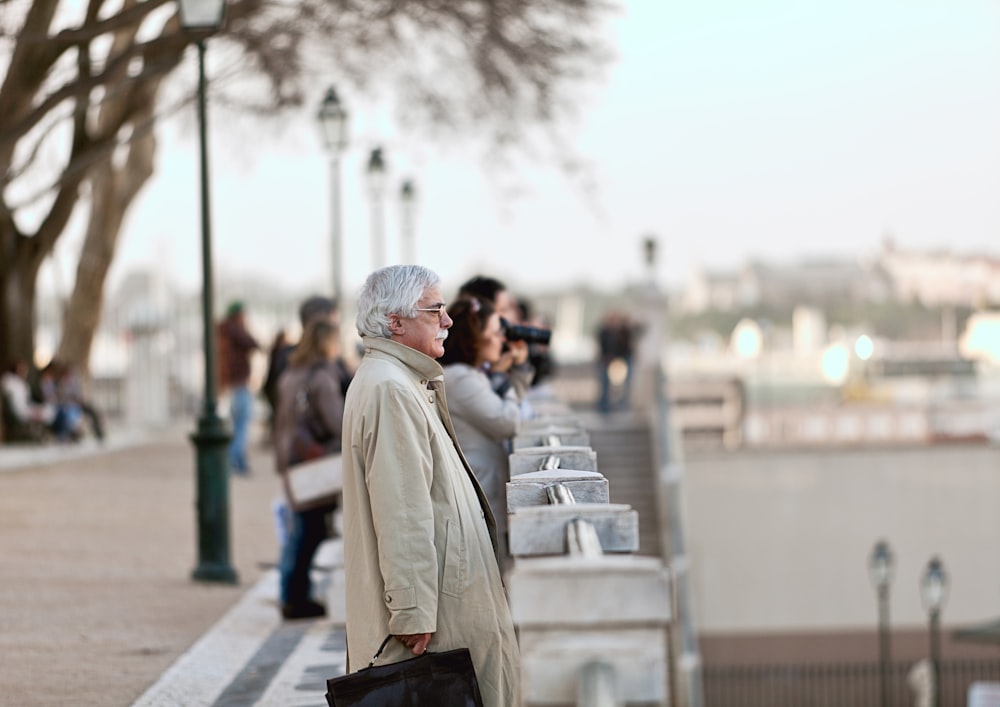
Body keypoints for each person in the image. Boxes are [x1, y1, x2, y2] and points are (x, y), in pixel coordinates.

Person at [341, 265, 520, 707]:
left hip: (445, 602)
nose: (448, 320)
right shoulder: (390, 388)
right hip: (436, 620)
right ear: (396, 321)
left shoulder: (400, 380)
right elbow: (401, 508)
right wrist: (412, 611)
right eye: (435, 309)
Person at [440, 297, 532, 570]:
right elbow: (507, 422)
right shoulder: (461, 378)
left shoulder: (470, 375)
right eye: (495, 333)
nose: (502, 340)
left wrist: (508, 374)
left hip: (484, 489)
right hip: (479, 493)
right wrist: (513, 383)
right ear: (474, 338)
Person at [273, 318, 344, 620]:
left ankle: (292, 593)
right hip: (315, 464)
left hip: (293, 460)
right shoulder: (322, 378)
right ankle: (294, 596)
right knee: (308, 531)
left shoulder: (290, 374)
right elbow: (339, 424)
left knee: (301, 529)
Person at [217, 301, 260, 475]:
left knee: (238, 425)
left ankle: (237, 461)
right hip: (239, 384)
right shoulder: (235, 330)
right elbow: (252, 343)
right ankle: (235, 461)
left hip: (234, 384)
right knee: (241, 425)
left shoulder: (225, 332)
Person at [596, 309, 639, 413]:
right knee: (605, 384)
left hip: (615, 359)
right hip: (607, 360)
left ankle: (615, 406)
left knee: (620, 385)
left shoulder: (622, 331)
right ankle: (604, 406)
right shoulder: (606, 332)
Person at [1, 360, 55, 441]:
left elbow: (27, 400)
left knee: (49, 409)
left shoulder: (22, 383)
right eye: (22, 369)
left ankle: (41, 433)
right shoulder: (8, 380)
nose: (24, 372)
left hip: (25, 407)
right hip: (17, 410)